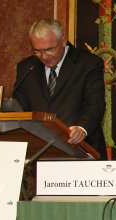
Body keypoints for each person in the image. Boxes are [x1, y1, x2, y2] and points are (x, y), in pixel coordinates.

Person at [13, 18, 107, 158]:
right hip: (39, 153)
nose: (44, 56)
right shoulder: (27, 68)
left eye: (49, 49)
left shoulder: (88, 64)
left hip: (80, 150)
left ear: (63, 41)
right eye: (37, 51)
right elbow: (19, 108)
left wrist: (81, 128)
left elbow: (94, 104)